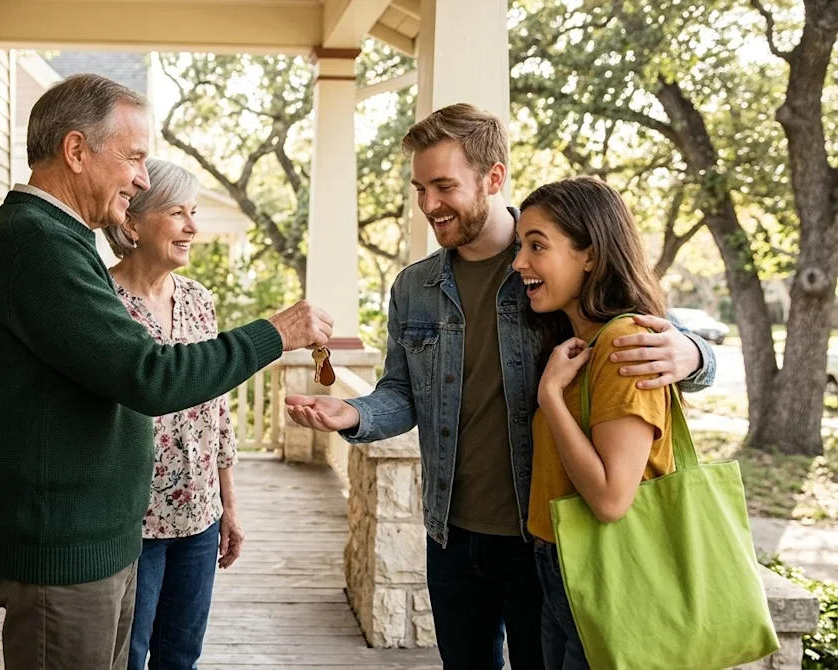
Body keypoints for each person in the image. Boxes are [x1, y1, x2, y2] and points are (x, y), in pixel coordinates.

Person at [282, 103, 716, 670]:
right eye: (419, 187)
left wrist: (695, 353)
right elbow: (401, 393)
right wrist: (354, 416)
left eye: (444, 186)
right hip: (451, 535)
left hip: (546, 537)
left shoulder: (549, 264)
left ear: (493, 177)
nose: (428, 205)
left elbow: (632, 318)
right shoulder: (414, 287)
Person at [0, 74, 332, 670]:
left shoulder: (62, 240)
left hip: (101, 543)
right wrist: (277, 332)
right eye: (133, 157)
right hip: (63, 550)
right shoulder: (37, 246)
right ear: (77, 151)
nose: (141, 177)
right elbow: (150, 375)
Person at [515, 177, 682, 669]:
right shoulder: (577, 345)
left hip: (608, 572)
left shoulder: (625, 344)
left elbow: (611, 498)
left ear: (590, 253)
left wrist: (550, 395)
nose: (519, 262)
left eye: (537, 246)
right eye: (521, 245)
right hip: (561, 568)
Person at [101, 158, 243, 669]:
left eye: (194, 212)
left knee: (181, 657)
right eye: (177, 212)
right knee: (128, 657)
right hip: (132, 525)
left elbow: (217, 411)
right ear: (133, 223)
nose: (192, 227)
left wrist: (228, 504)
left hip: (200, 517)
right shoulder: (102, 302)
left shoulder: (199, 301)